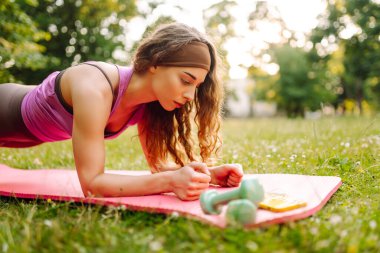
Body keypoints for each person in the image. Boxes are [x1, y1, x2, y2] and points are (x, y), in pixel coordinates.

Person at [0, 23, 243, 200]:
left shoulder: (151, 104)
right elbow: (93, 185)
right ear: (156, 63)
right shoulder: (94, 87)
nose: (190, 96)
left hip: (28, 137)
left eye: (196, 86)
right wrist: (170, 182)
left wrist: (208, 175)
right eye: (186, 80)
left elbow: (158, 169)